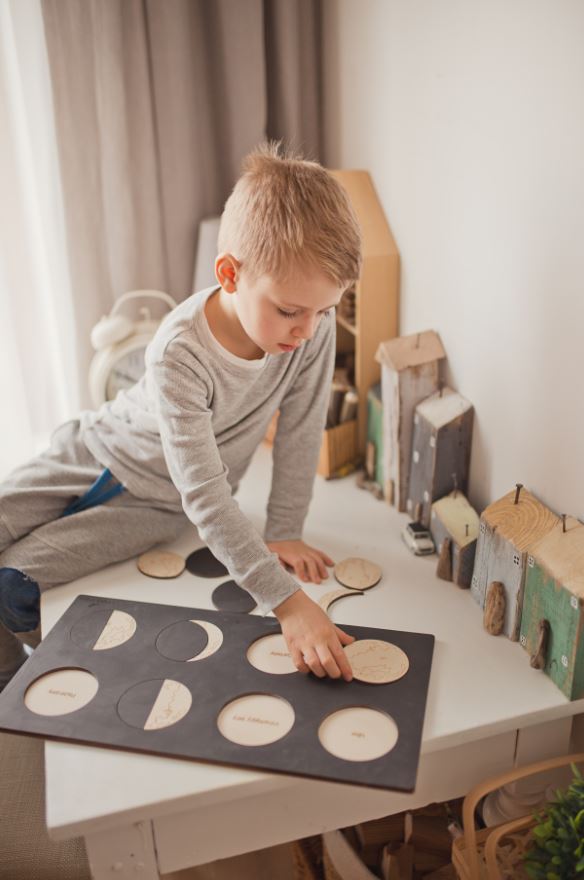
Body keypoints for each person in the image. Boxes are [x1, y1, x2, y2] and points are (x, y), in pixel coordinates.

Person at [0, 142, 362, 691]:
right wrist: (288, 604)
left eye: (324, 311)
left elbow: (301, 426)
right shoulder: (178, 352)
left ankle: (15, 668)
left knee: (13, 585)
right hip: (97, 451)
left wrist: (284, 529)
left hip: (161, 503)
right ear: (230, 274)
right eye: (290, 311)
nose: (308, 330)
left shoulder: (311, 330)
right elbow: (208, 493)